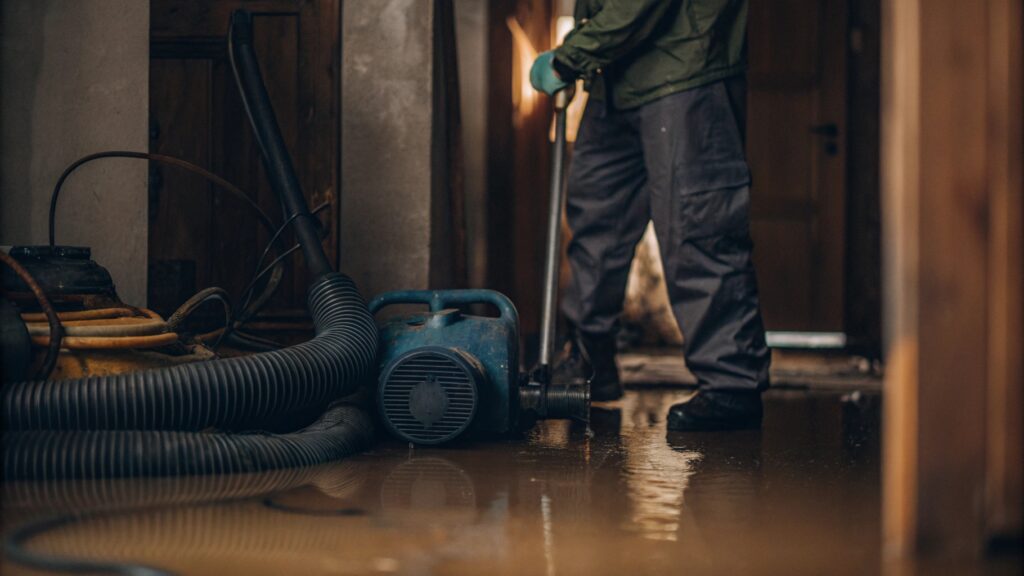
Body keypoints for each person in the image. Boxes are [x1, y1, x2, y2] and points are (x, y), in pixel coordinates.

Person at [529, 0, 770, 431]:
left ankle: (731, 384)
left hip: (685, 69)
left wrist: (571, 57)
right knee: (595, 216)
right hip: (615, 75)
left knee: (699, 225)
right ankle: (589, 360)